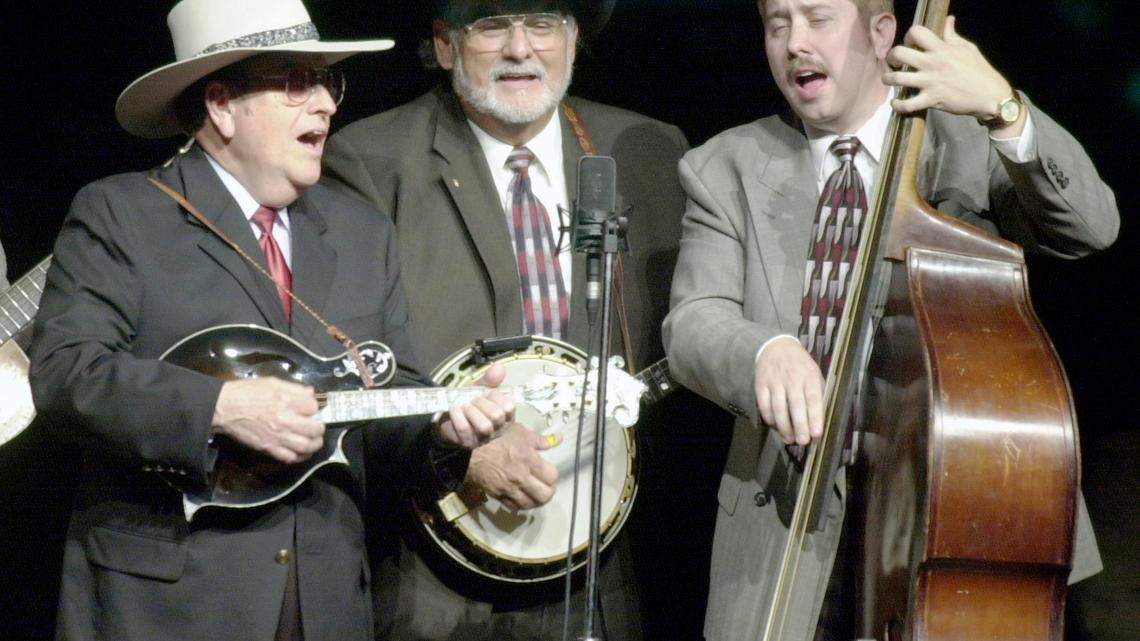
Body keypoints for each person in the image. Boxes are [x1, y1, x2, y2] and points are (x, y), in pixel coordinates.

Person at [28, 1, 515, 640]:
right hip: (166, 607)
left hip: (325, 601)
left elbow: (390, 413)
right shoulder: (121, 214)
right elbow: (66, 374)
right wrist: (220, 408)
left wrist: (446, 431)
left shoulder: (363, 232)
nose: (325, 104)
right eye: (295, 83)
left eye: (327, 83)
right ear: (222, 105)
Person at [662, 1, 1119, 640]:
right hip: (788, 524)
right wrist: (763, 350)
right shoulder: (723, 166)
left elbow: (1090, 228)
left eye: (817, 19)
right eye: (777, 24)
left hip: (959, 510)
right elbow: (693, 320)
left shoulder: (964, 140)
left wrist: (1004, 108)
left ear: (882, 35)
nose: (795, 43)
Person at [323, 1, 730, 639]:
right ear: (445, 43)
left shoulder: (648, 153)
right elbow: (350, 358)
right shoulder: (370, 162)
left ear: (571, 40)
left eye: (542, 23)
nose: (520, 48)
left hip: (607, 571)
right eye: (490, 24)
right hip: (441, 572)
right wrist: (456, 449)